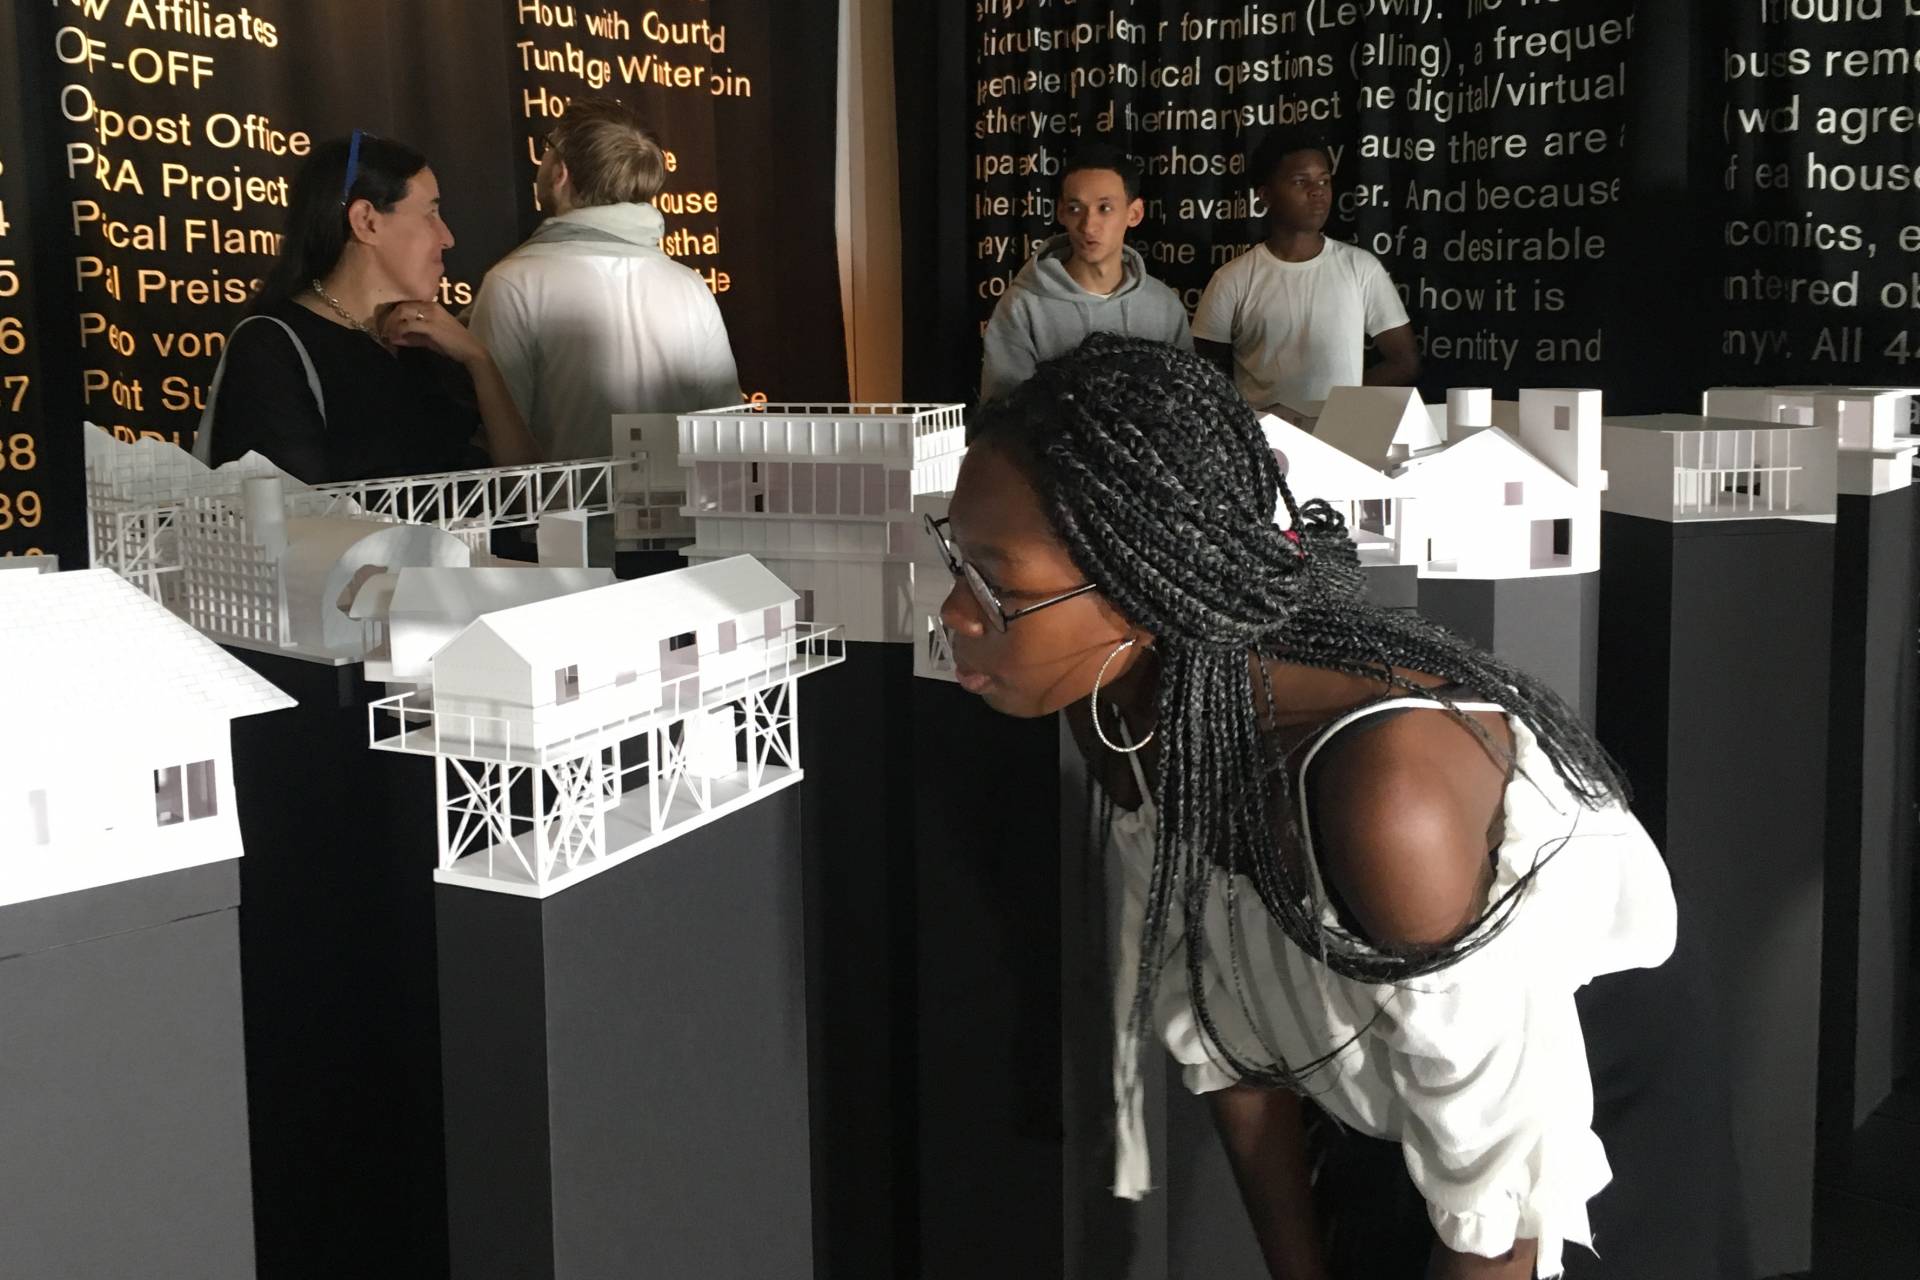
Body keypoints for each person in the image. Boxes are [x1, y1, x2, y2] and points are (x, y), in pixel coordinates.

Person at [928, 334, 1748, 1280]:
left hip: (1577, 1136)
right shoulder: (1121, 712)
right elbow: (1224, 1028)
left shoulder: (1389, 792)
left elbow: (1501, 1204)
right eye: (956, 557)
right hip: (1386, 1100)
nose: (955, 612)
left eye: (998, 582)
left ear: (1144, 585)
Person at [196, 132, 538, 482]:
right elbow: (283, 507)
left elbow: (525, 490)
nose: (447, 238)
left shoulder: (430, 342)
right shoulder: (271, 347)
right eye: (430, 214)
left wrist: (479, 361)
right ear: (366, 222)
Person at [467, 98, 741, 463]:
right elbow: (726, 429)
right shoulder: (691, 287)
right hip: (684, 502)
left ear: (560, 172)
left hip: (554, 503)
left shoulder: (513, 284)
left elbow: (498, 443)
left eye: (547, 149)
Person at [1193, 130, 1419, 414]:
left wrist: (1339, 405)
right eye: (1301, 181)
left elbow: (1404, 361)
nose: (1318, 191)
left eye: (1324, 181)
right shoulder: (1232, 279)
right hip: (1262, 436)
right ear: (1265, 195)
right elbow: (1203, 374)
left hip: (1341, 433)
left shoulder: (1361, 268)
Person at [978, 143, 1191, 403]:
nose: (1089, 226)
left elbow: (1187, 400)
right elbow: (1001, 413)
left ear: (1134, 213)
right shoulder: (1022, 307)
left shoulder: (1164, 305)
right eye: (1075, 209)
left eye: (1105, 208)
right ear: (1061, 213)